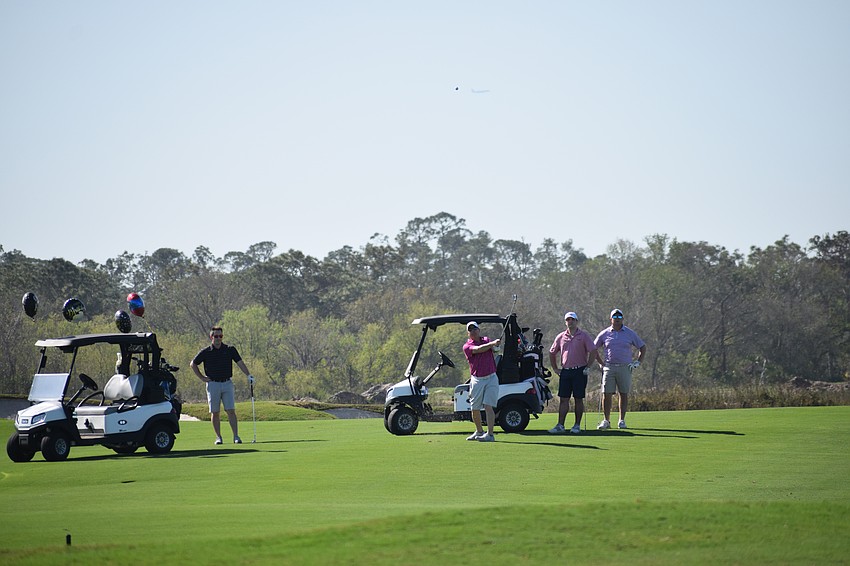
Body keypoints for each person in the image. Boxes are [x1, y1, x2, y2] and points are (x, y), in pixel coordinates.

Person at [190, 326, 255, 445]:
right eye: (216, 336)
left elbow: (240, 363)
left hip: (227, 383)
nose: (218, 338)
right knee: (215, 412)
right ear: (211, 337)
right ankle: (218, 437)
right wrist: (202, 378)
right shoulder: (206, 352)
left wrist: (248, 375)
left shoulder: (230, 349)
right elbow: (193, 364)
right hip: (213, 384)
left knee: (231, 410)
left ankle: (236, 436)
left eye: (220, 336)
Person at [547, 311, 602, 434]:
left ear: (576, 321)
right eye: (568, 320)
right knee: (564, 399)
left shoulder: (583, 336)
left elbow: (593, 351)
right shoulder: (561, 336)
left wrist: (588, 366)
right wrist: (555, 368)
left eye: (572, 319)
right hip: (565, 371)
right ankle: (560, 425)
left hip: (579, 371)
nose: (570, 322)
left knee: (578, 398)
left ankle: (576, 425)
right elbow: (552, 352)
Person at [594, 308, 646, 430]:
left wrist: (638, 362)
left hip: (625, 367)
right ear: (611, 319)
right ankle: (606, 420)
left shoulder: (629, 333)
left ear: (622, 319)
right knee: (606, 394)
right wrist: (601, 363)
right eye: (614, 317)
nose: (617, 320)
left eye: (619, 317)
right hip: (609, 367)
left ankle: (621, 420)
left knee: (623, 393)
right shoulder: (605, 333)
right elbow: (593, 348)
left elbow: (642, 347)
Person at [462, 321, 501, 442]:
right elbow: (478, 349)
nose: (473, 331)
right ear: (468, 333)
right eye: (470, 330)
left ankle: (490, 434)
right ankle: (479, 431)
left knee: (488, 406)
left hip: (491, 378)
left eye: (475, 329)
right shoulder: (467, 346)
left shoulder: (486, 340)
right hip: (477, 379)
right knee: (475, 408)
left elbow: (495, 350)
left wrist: (496, 345)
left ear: (479, 330)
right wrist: (492, 343)